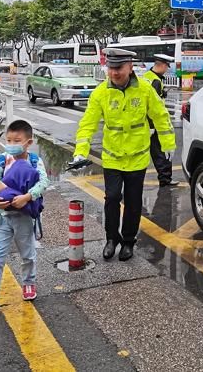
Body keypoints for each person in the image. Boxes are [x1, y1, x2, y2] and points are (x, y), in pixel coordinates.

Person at [71, 48, 176, 262]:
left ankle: (128, 241)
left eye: (118, 68)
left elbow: (161, 116)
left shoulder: (145, 90)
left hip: (137, 157)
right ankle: (112, 239)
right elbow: (87, 125)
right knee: (111, 198)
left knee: (133, 201)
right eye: (111, 68)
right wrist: (80, 152)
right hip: (113, 157)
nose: (114, 73)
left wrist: (167, 143)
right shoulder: (101, 92)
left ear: (130, 67)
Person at [0, 120, 50, 313]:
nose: (11, 144)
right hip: (2, 216)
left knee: (28, 255)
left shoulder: (34, 161)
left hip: (23, 216)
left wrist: (27, 197)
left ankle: (29, 283)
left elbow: (43, 182)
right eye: (8, 140)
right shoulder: (2, 160)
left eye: (17, 140)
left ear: (28, 142)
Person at [142, 53, 179, 187]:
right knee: (161, 152)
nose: (167, 70)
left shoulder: (147, 77)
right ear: (162, 65)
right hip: (154, 124)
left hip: (144, 123)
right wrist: (152, 126)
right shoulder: (156, 82)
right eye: (167, 67)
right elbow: (151, 106)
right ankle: (165, 179)